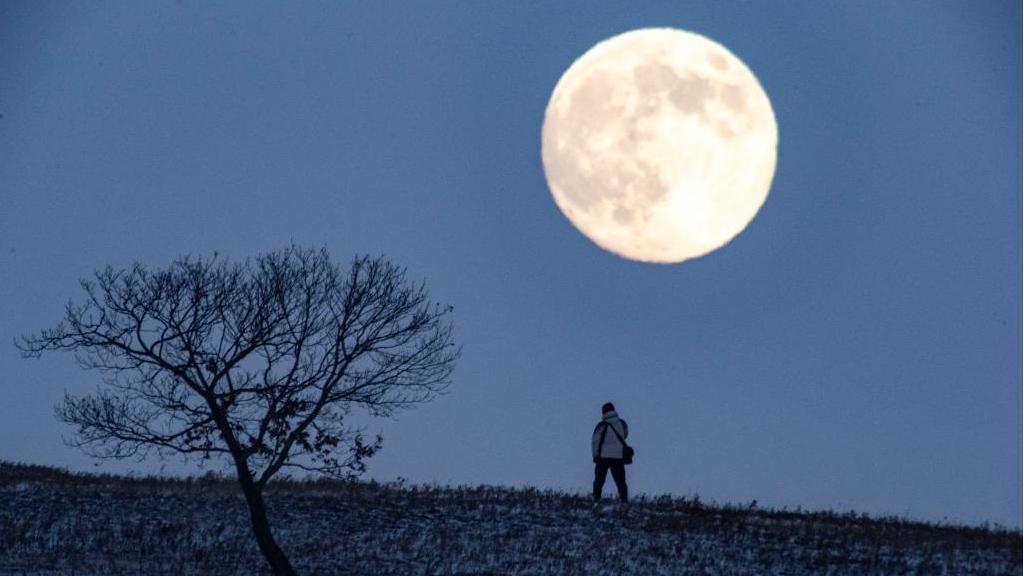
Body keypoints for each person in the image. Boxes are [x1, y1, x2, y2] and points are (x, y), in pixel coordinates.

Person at [592, 402, 629, 503]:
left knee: (599, 481)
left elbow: (595, 442)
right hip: (618, 457)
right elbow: (625, 435)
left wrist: (595, 456)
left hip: (603, 458)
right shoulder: (622, 423)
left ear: (603, 412)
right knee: (621, 482)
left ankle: (596, 500)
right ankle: (624, 501)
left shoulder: (601, 425)